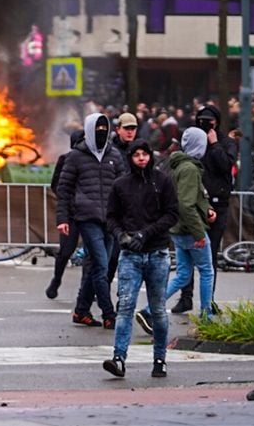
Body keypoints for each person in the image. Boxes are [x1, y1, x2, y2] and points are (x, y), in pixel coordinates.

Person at [102, 140, 179, 379]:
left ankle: (160, 359)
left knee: (157, 309)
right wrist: (121, 236)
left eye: (145, 154)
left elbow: (172, 214)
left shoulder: (162, 181)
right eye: (136, 155)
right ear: (130, 158)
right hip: (130, 255)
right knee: (125, 307)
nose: (141, 158)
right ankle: (119, 358)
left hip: (157, 252)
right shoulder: (120, 185)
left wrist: (145, 234)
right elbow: (111, 217)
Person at [56, 113, 125, 329]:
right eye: (98, 129)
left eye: (105, 129)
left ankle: (81, 310)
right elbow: (64, 189)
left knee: (96, 266)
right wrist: (63, 218)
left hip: (111, 220)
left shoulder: (114, 154)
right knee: (101, 266)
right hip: (87, 219)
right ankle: (109, 313)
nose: (102, 133)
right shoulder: (76, 157)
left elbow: (124, 186)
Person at [175, 104, 236, 315]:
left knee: (209, 258)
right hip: (196, 204)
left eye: (209, 120)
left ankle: (208, 301)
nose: (204, 123)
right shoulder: (194, 139)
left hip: (218, 204)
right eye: (201, 119)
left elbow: (226, 166)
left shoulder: (226, 143)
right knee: (188, 256)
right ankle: (186, 297)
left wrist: (215, 144)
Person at [151, 127, 216, 324]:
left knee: (182, 275)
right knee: (206, 271)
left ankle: (149, 309)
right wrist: (199, 234)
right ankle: (207, 316)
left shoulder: (178, 166)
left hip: (178, 229)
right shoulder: (190, 169)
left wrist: (207, 209)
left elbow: (189, 197)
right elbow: (187, 204)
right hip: (190, 230)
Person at [45, 129, 85, 300]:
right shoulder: (66, 160)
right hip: (71, 213)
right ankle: (57, 279)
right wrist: (69, 200)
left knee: (93, 256)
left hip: (91, 213)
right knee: (66, 251)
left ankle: (89, 289)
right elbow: (56, 185)